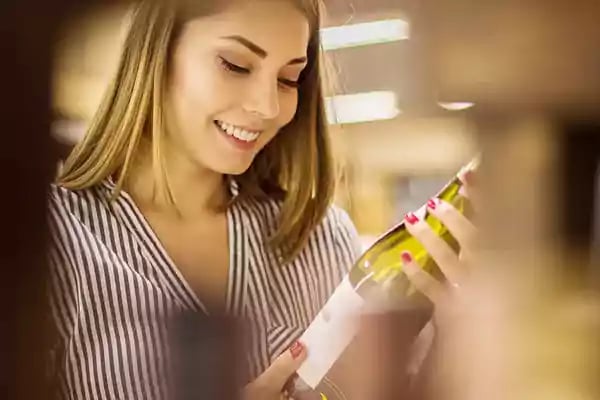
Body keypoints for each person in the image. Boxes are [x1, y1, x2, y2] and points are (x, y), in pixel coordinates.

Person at [47, 0, 479, 399]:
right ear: (157, 53)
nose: (267, 105)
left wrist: (455, 340)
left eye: (289, 78)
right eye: (235, 65)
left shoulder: (323, 239)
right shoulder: (50, 239)